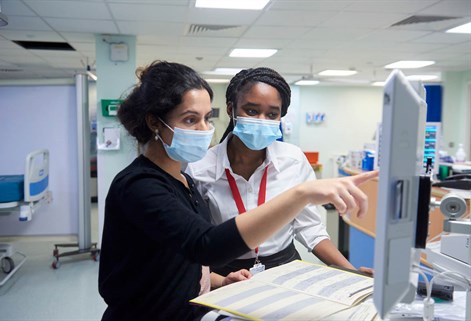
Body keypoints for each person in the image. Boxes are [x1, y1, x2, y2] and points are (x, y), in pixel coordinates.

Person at [99, 60, 377, 321]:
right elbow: (203, 245)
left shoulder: (183, 182)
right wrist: (301, 194)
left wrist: (220, 281)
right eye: (189, 120)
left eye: (207, 118)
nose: (203, 130)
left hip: (256, 279)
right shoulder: (152, 182)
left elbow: (182, 259)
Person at [187, 67, 373, 277]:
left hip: (284, 266)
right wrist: (219, 281)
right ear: (231, 109)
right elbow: (196, 242)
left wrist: (351, 272)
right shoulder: (199, 167)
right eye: (251, 110)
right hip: (225, 272)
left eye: (272, 114)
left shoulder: (292, 160)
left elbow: (310, 228)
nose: (262, 120)